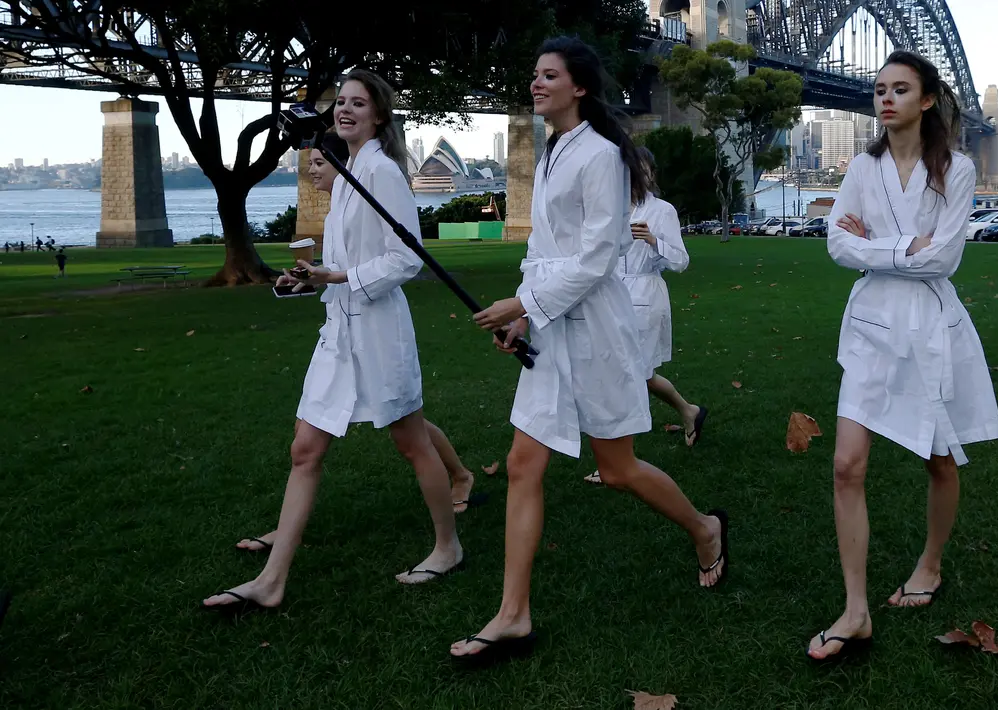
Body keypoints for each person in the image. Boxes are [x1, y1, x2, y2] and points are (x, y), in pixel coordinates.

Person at [458, 37, 729, 663]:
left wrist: (524, 306)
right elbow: (544, 252)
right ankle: (513, 615)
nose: (535, 83)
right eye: (534, 74)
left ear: (579, 86)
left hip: (598, 331)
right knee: (525, 465)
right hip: (552, 328)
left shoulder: (603, 155)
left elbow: (598, 258)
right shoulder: (553, 151)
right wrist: (525, 315)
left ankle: (704, 528)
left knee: (617, 469)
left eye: (548, 75)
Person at [202, 69, 464, 613]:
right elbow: (345, 264)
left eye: (357, 103)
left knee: (411, 442)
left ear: (378, 114)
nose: (344, 110)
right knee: (305, 450)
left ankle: (448, 546)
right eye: (340, 102)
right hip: (338, 333)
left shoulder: (383, 172)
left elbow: (407, 258)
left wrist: (341, 277)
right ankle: (272, 581)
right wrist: (308, 278)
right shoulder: (344, 174)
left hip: (380, 331)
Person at [808, 50, 998, 662]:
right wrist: (901, 247)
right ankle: (856, 609)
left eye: (899, 89)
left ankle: (931, 561)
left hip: (931, 325)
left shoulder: (958, 168)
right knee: (846, 465)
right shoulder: (861, 169)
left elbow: (944, 258)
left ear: (925, 100)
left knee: (940, 460)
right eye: (878, 89)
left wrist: (878, 244)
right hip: (870, 325)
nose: (885, 98)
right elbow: (837, 242)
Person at [583, 146, 705, 486]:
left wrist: (653, 240)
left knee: (626, 378)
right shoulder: (611, 208)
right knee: (636, 374)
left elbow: (680, 261)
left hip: (646, 299)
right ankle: (688, 411)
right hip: (610, 298)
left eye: (641, 169)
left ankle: (618, 462)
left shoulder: (662, 211)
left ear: (650, 173)